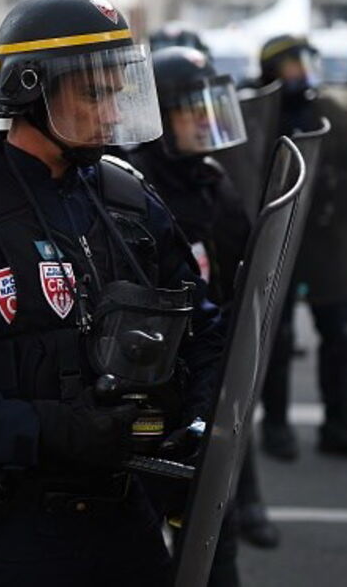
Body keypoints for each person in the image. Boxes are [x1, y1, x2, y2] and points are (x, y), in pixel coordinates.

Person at [0, 0, 225, 586]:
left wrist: (195, 423)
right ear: (31, 90)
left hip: (126, 514)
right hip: (16, 527)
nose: (111, 111)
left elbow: (206, 327)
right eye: (93, 93)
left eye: (116, 91)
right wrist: (47, 429)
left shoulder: (129, 199)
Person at [127, 46, 280, 566]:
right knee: (142, 544)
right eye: (192, 109)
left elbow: (243, 265)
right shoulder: (128, 188)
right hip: (149, 388)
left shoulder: (212, 180)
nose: (205, 121)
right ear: (159, 118)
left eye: (210, 106)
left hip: (209, 370)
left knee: (216, 541)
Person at [257, 35, 347, 461]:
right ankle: (276, 427)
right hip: (280, 239)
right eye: (294, 63)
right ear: (275, 68)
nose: (302, 70)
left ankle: (340, 425)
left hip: (328, 244)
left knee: (341, 336)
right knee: (277, 339)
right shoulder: (260, 112)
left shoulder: (325, 110)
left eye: (304, 62)